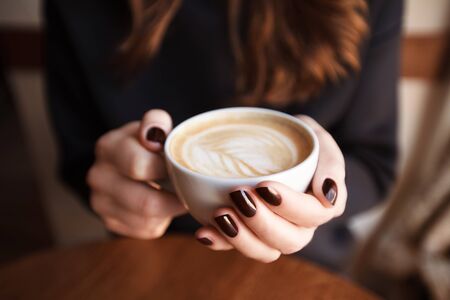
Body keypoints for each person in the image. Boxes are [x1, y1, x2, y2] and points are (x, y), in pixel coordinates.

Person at [45, 0, 402, 269]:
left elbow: (374, 161)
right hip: (150, 260)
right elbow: (79, 157)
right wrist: (110, 181)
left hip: (307, 266)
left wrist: (321, 194)